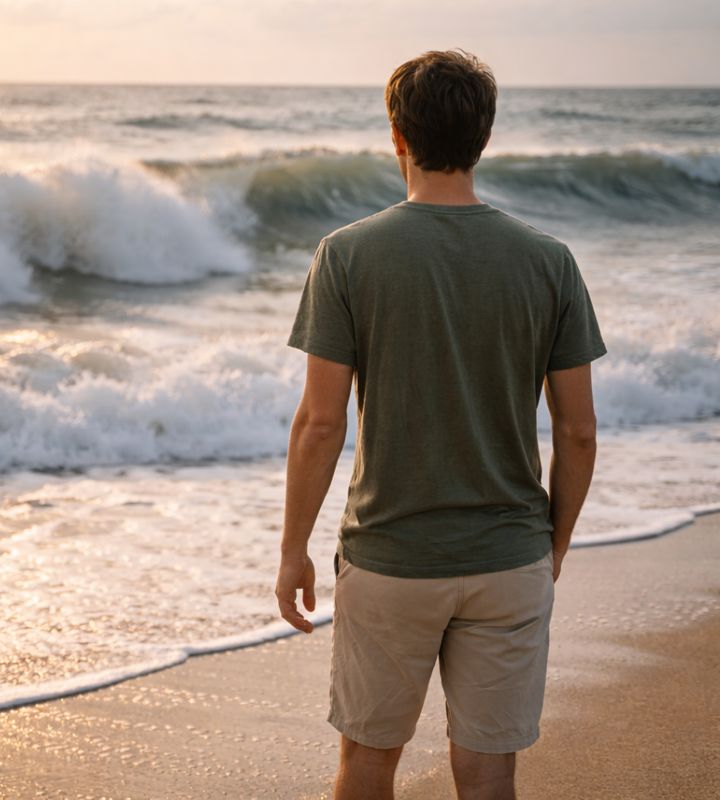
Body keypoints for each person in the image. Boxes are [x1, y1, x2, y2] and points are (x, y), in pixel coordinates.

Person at [275, 48, 607, 800]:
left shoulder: (347, 256)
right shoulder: (549, 262)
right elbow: (579, 431)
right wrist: (549, 545)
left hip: (391, 557)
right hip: (509, 560)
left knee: (366, 764)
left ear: (397, 134)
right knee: (489, 773)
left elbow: (320, 424)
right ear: (484, 137)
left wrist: (293, 549)